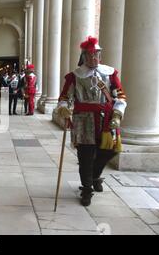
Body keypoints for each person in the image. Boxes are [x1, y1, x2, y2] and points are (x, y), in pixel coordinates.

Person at [58, 36, 127, 207]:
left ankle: (95, 175)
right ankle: (87, 188)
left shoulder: (110, 73)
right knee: (86, 155)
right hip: (83, 120)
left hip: (107, 118)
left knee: (110, 151)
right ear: (84, 56)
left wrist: (118, 114)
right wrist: (64, 108)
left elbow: (121, 95)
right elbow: (64, 98)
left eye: (96, 54)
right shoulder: (74, 76)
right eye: (90, 55)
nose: (94, 58)